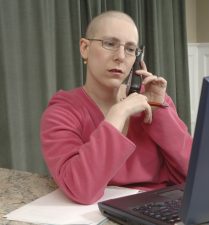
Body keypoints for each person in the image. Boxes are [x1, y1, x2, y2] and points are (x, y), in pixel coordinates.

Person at [40, 10, 192, 205]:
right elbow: (81, 189)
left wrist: (160, 110)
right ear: (84, 48)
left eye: (130, 49)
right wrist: (117, 115)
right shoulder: (61, 113)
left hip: (162, 209)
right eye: (110, 44)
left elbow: (193, 172)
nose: (120, 57)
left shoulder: (152, 98)